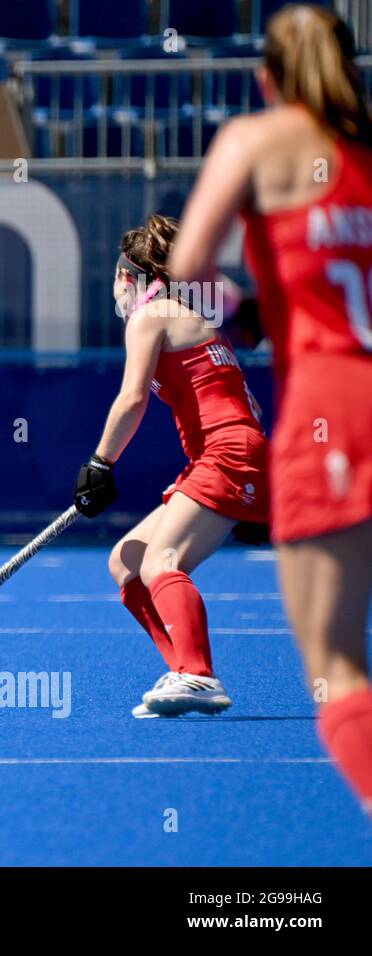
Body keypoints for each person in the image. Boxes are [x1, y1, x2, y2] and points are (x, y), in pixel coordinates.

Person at [168, 5, 372, 809]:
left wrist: (253, 312)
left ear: (268, 77)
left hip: (332, 407)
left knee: (336, 667)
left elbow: (188, 265)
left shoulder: (256, 141)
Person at [74, 215, 271, 717]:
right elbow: (253, 410)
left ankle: (198, 675)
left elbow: (131, 399)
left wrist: (100, 463)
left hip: (226, 455)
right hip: (228, 454)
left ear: (126, 277)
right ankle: (182, 670)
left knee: (163, 561)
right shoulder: (187, 316)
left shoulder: (151, 314)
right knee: (126, 561)